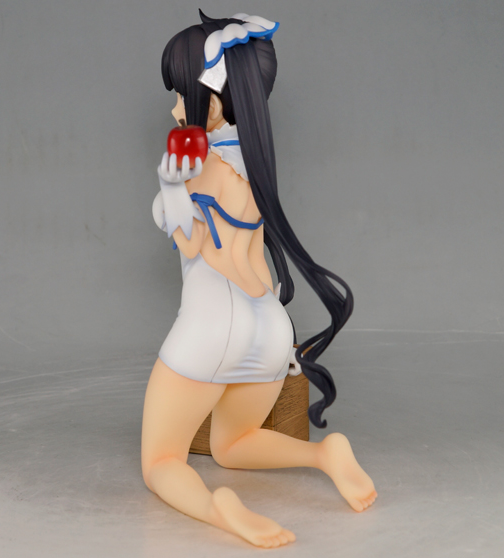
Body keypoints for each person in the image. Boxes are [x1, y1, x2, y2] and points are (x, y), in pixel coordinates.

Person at [141, 11, 376, 548]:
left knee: (161, 461)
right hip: (269, 324)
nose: (174, 108)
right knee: (234, 443)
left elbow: (194, 247)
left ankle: (217, 509)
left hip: (211, 324)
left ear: (212, 103)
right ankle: (324, 454)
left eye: (181, 95)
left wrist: (170, 188)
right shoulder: (254, 163)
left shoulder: (199, 165)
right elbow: (252, 257)